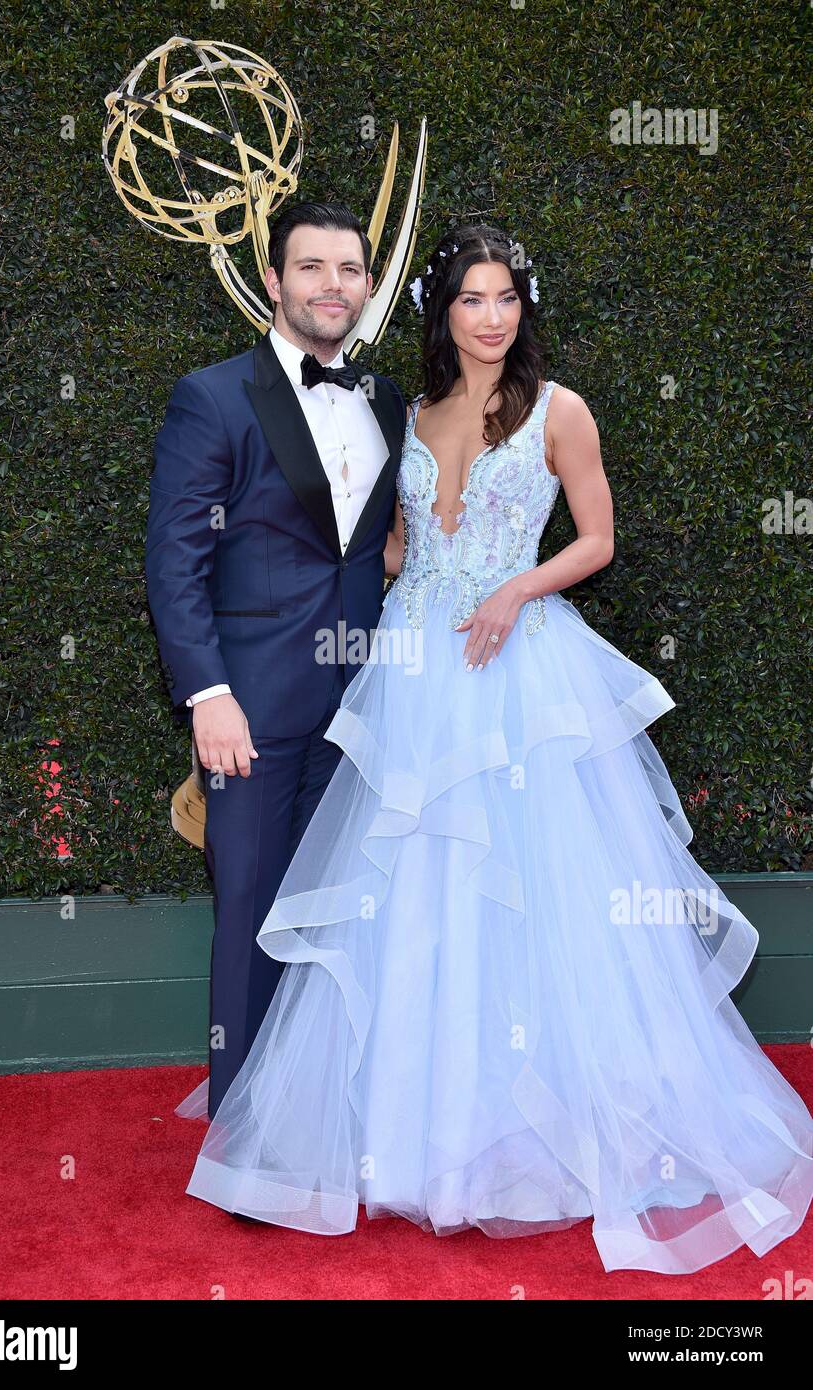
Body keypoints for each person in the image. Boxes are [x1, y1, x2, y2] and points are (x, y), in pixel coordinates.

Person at [174, 222, 813, 1274]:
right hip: (415, 670)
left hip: (517, 663)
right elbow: (385, 544)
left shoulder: (560, 411)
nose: (489, 315)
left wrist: (518, 583)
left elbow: (597, 538)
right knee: (412, 888)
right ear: (443, 311)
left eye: (504, 298)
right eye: (469, 298)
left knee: (533, 893)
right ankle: (408, 1137)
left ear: (523, 308)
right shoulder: (408, 413)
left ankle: (541, 1137)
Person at [146, 202, 406, 1121]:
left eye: (348, 270)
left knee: (338, 903)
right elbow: (173, 561)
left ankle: (324, 1106)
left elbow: (375, 547)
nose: (331, 287)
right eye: (311, 269)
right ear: (273, 281)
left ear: (369, 286)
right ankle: (246, 1125)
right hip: (251, 704)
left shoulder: (386, 400)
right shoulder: (213, 396)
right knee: (253, 907)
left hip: (367, 700)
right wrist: (207, 694)